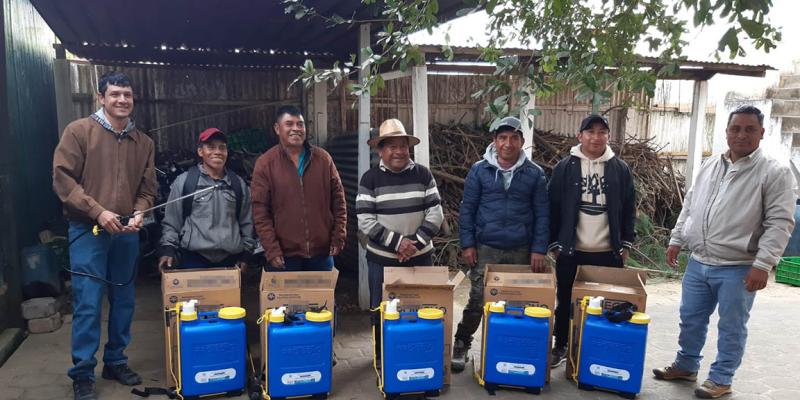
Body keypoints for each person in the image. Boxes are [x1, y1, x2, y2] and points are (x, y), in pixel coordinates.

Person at [653, 105, 795, 399]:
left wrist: (764, 263)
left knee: (731, 327)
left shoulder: (774, 172)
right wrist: (677, 238)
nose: (741, 135)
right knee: (690, 318)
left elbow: (780, 222)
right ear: (727, 131)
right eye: (735, 128)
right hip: (698, 262)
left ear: (762, 133)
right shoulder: (711, 164)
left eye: (749, 129)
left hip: (738, 266)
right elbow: (691, 205)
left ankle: (721, 378)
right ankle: (686, 365)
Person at [53, 71, 156, 400]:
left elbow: (148, 188)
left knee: (124, 300)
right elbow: (63, 179)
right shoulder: (79, 132)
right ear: (101, 97)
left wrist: (140, 211)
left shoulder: (144, 142)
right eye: (115, 94)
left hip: (126, 232)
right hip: (88, 230)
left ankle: (116, 360)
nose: (122, 100)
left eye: (127, 94)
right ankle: (82, 371)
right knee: (88, 303)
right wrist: (98, 211)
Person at [450, 116, 550, 372]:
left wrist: (539, 249)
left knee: (519, 302)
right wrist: (468, 244)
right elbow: (468, 210)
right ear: (494, 141)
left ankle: (514, 347)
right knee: (477, 300)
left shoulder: (534, 174)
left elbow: (542, 214)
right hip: (486, 248)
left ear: (522, 142)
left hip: (521, 250)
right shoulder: (479, 170)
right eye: (503, 138)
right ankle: (462, 342)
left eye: (514, 138)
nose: (508, 143)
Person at [548, 114, 636, 368]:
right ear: (580, 136)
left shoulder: (620, 168)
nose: (596, 137)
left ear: (608, 136)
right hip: (571, 251)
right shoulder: (565, 167)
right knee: (565, 301)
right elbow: (552, 206)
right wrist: (555, 244)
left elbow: (629, 207)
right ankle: (561, 345)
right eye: (590, 132)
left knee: (605, 304)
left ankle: (596, 348)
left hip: (608, 251)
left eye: (602, 132)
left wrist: (626, 244)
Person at [356, 118, 444, 309]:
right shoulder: (370, 179)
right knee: (383, 314)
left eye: (403, 146)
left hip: (420, 258)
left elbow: (436, 213)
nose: (399, 151)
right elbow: (365, 220)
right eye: (392, 146)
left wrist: (414, 244)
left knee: (423, 312)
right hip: (382, 262)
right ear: (380, 150)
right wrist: (398, 243)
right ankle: (381, 341)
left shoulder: (423, 174)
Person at [251, 105, 346, 271]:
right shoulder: (266, 163)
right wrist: (271, 249)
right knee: (288, 298)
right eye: (289, 124)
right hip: (284, 256)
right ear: (277, 128)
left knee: (322, 298)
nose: (296, 129)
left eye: (300, 124)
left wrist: (339, 236)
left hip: (321, 254)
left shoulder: (323, 159)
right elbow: (260, 212)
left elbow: (339, 201)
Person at [158, 127, 256, 269]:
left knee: (228, 293)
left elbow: (247, 222)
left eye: (222, 148)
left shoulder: (238, 184)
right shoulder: (184, 182)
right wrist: (168, 249)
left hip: (230, 260)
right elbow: (172, 222)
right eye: (210, 147)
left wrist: (246, 254)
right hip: (194, 259)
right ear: (200, 152)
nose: (217, 152)